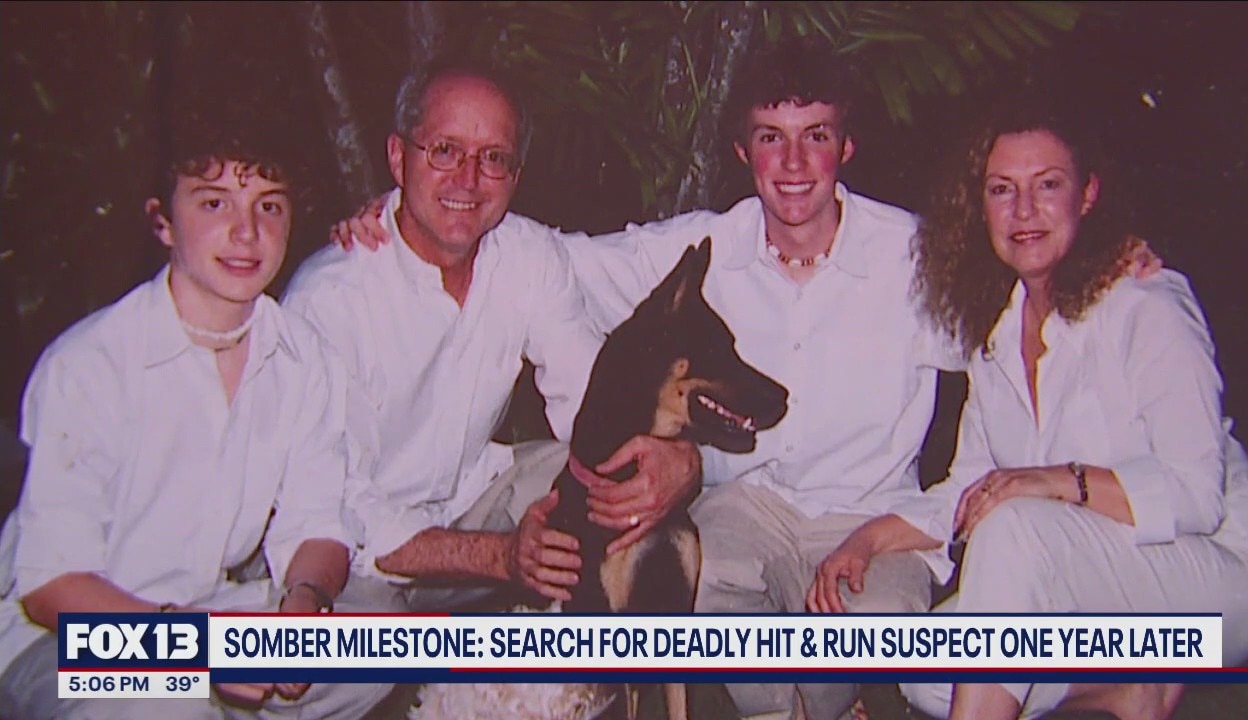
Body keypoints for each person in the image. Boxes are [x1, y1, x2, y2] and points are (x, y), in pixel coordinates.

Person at [334, 40, 964, 720]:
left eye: (815, 136)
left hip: (870, 518)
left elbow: (1010, 354)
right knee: (695, 594)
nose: (792, 163)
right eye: (769, 138)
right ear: (742, 150)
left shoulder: (916, 260)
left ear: (846, 146)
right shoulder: (698, 249)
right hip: (746, 514)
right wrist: (407, 215)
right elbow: (547, 256)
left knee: (864, 653)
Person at [806, 100, 1248, 720]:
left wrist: (1058, 482)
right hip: (1094, 578)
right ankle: (1125, 690)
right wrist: (866, 540)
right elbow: (972, 491)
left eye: (1047, 185)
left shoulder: (1145, 305)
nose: (1023, 211)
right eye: (1002, 189)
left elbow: (1196, 496)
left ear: (1088, 194)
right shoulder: (997, 332)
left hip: (1219, 582)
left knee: (1016, 528)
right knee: (924, 662)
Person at [0, 115, 390, 718]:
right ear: (163, 221)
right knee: (165, 705)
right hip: (67, 641)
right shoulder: (90, 364)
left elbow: (316, 522)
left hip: (207, 608)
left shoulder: (303, 357)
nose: (246, 231)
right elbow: (51, 585)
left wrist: (303, 608)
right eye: (214, 203)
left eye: (269, 206)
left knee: (382, 645)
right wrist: (196, 651)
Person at [284, 56, 701, 612]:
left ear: (516, 176)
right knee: (326, 655)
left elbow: (594, 402)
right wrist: (499, 556)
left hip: (474, 499)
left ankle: (598, 656)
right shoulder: (330, 299)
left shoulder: (527, 256)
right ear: (398, 157)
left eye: (494, 158)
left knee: (632, 498)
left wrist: (679, 460)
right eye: (445, 150)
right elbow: (334, 503)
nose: (468, 178)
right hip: (359, 555)